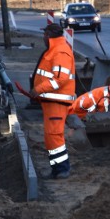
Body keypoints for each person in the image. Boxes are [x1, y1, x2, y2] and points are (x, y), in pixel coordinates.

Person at [30, 24, 76, 179]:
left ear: (49, 34)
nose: (43, 37)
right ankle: (57, 169)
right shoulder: (54, 50)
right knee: (51, 136)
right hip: (51, 101)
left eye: (44, 34)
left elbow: (60, 79)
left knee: (54, 135)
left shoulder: (60, 51)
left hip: (57, 102)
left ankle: (62, 170)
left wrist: (39, 89)